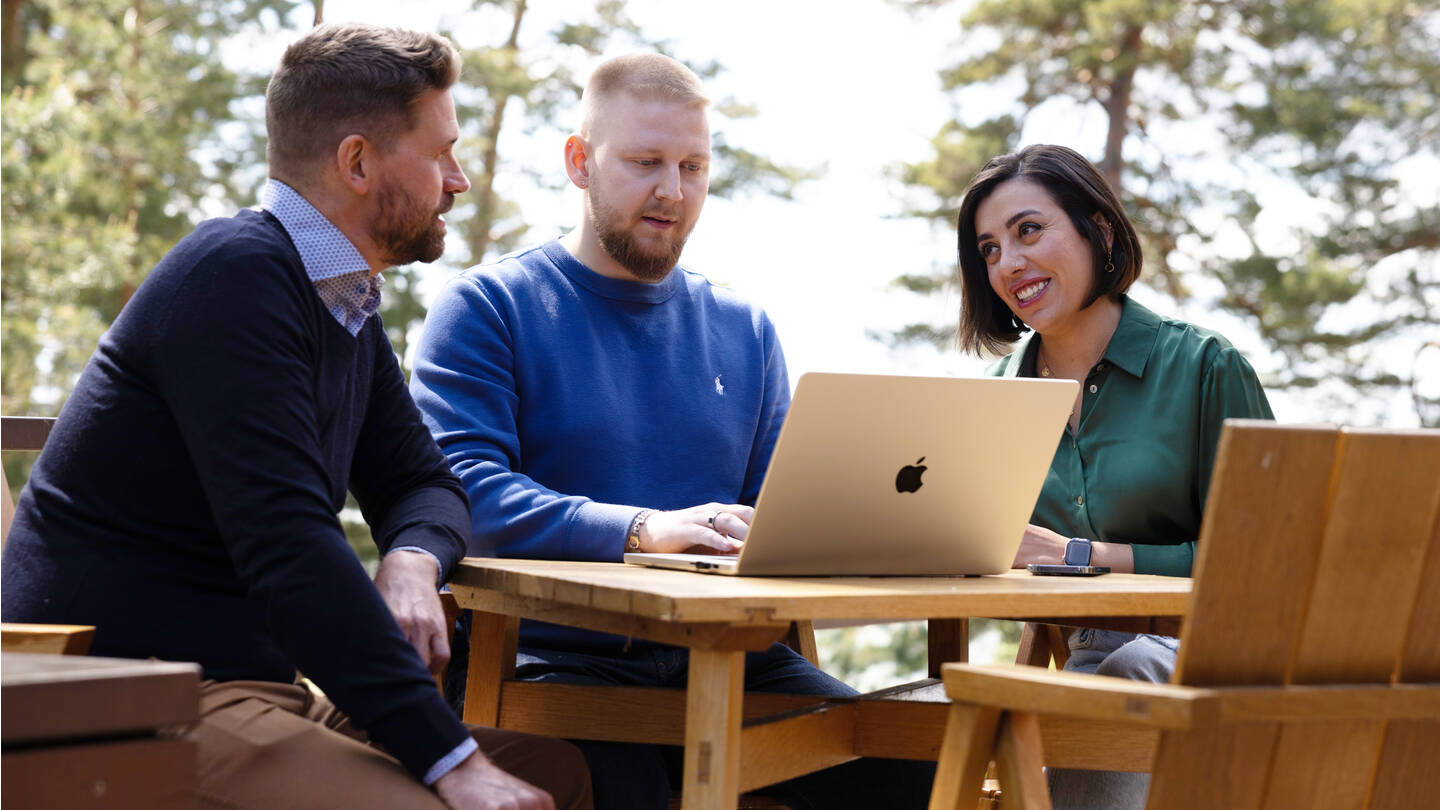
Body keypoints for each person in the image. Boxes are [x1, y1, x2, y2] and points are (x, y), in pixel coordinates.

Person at [0, 23, 591, 810]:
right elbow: (288, 551)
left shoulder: (341, 304)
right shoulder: (235, 279)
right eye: (441, 152)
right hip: (134, 697)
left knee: (559, 773)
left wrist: (412, 561)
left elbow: (425, 483)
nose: (460, 180)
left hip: (256, 688)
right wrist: (451, 761)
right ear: (357, 162)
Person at [410, 52, 934, 810]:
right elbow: (465, 497)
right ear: (579, 161)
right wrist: (640, 529)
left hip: (736, 664)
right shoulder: (490, 308)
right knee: (633, 788)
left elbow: (779, 507)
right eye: (646, 162)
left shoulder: (744, 329)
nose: (672, 191)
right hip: (555, 664)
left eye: (694, 166)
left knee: (912, 766)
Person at [953, 143, 1274, 807]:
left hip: (1218, 659)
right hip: (1086, 657)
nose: (1009, 264)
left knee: (1120, 677)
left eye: (1029, 231)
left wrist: (1081, 556)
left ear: (1098, 231)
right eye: (989, 249)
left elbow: (1265, 568)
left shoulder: (1206, 366)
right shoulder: (990, 401)